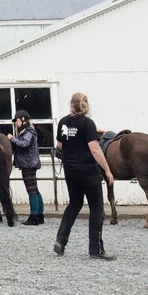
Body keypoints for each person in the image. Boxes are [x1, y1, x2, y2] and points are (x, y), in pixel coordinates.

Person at [53, 92, 116, 260]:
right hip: (88, 170)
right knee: (96, 208)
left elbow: (59, 145)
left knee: (74, 204)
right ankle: (95, 250)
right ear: (86, 105)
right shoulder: (88, 123)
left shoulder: (63, 122)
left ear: (71, 105)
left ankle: (60, 241)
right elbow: (95, 149)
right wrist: (107, 170)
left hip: (70, 170)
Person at [8, 109, 43, 225]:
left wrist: (12, 139)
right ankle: (39, 215)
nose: (16, 123)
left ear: (23, 119)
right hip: (29, 164)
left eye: (17, 120)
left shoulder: (28, 132)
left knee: (31, 190)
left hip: (28, 164)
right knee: (35, 189)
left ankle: (34, 217)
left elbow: (24, 144)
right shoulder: (28, 131)